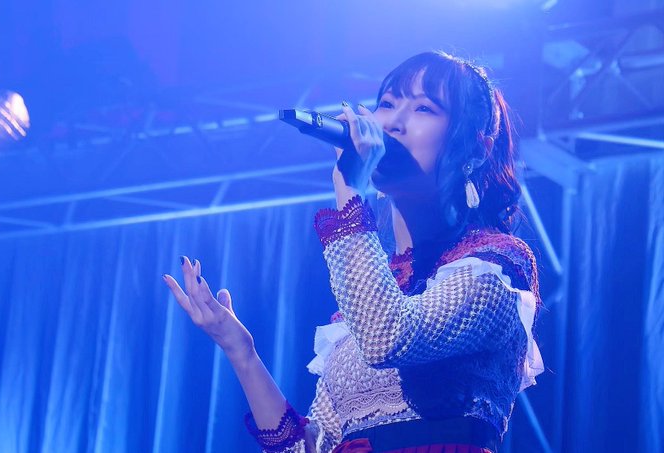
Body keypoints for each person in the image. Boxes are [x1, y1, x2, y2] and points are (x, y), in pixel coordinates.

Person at [162, 50, 544, 453]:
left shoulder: (497, 267)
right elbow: (308, 450)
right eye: (387, 104)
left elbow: (388, 337)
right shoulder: (370, 294)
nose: (392, 123)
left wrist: (349, 187)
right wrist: (242, 353)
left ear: (478, 149)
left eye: (424, 108)